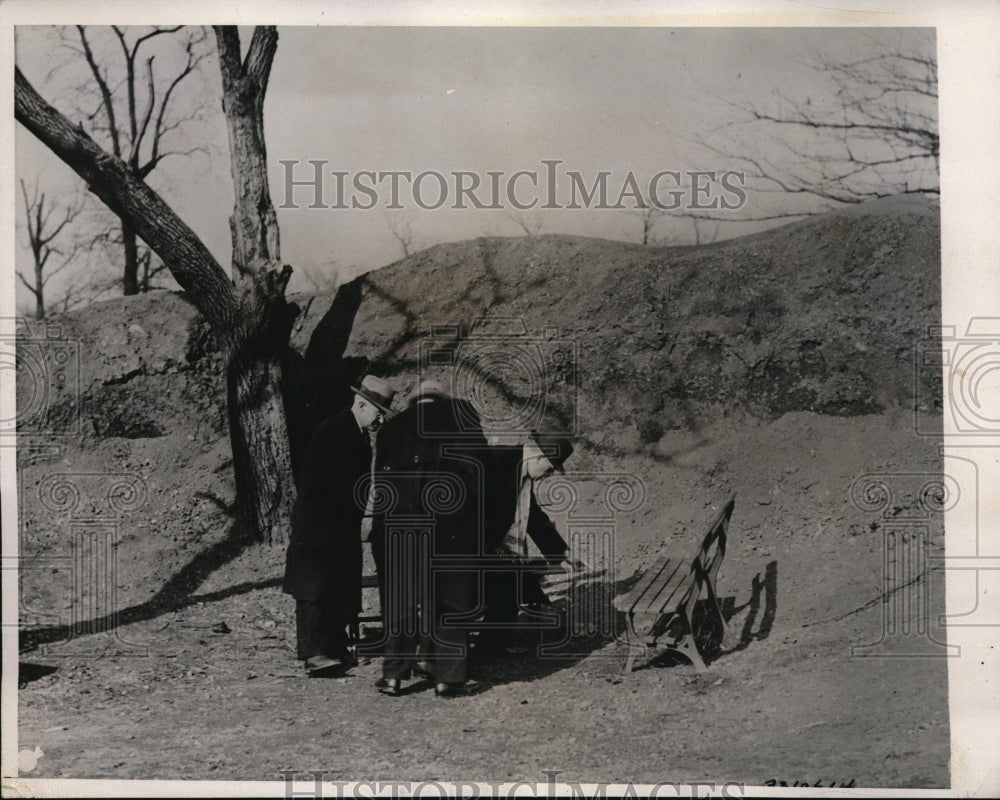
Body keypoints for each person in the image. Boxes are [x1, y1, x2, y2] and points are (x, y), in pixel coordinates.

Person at [370, 380, 487, 697]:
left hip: (399, 524)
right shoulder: (462, 413)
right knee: (449, 599)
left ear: (414, 403)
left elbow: (382, 488)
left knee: (401, 600)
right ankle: (447, 677)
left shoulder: (390, 430)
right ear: (440, 399)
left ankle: (394, 675)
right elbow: (477, 473)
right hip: (449, 523)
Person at [283, 374, 395, 677]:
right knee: (314, 590)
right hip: (319, 526)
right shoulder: (333, 430)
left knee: (340, 587)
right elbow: (319, 484)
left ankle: (333, 646)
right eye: (378, 413)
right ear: (361, 403)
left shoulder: (358, 436)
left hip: (341, 524)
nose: (380, 421)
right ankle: (314, 654)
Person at [479, 430, 577, 654]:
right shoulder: (496, 460)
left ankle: (491, 647)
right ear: (541, 456)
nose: (549, 474)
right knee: (512, 580)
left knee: (515, 580)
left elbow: (532, 516)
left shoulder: (522, 470)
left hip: (493, 546)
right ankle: (484, 648)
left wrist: (562, 552)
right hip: (471, 543)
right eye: (551, 468)